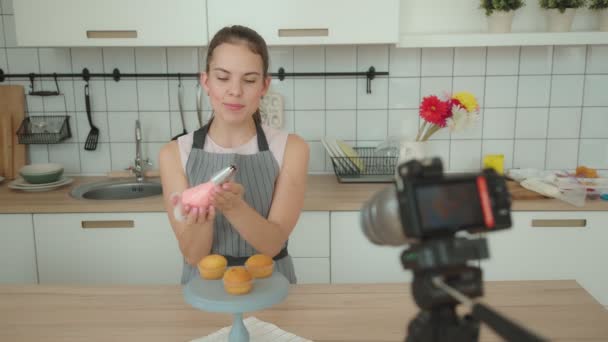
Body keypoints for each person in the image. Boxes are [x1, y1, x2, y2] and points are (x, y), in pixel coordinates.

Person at [159, 25, 309, 285]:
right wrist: (203, 217)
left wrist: (235, 208)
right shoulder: (174, 154)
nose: (235, 91)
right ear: (206, 81)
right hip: (203, 288)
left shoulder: (292, 148)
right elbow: (193, 255)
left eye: (249, 80)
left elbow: (273, 244)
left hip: (271, 283)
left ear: (264, 86)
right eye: (223, 77)